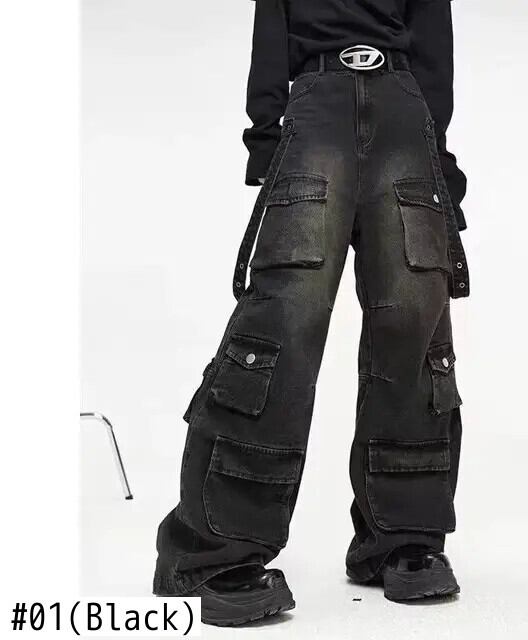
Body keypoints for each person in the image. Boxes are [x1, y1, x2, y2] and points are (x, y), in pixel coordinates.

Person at [153, 0, 469, 626]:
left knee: (414, 319)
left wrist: (436, 148)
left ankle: (404, 537)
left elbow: (433, 38)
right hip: (315, 104)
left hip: (405, 109)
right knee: (284, 321)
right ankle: (215, 548)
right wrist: (266, 134)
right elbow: (271, 25)